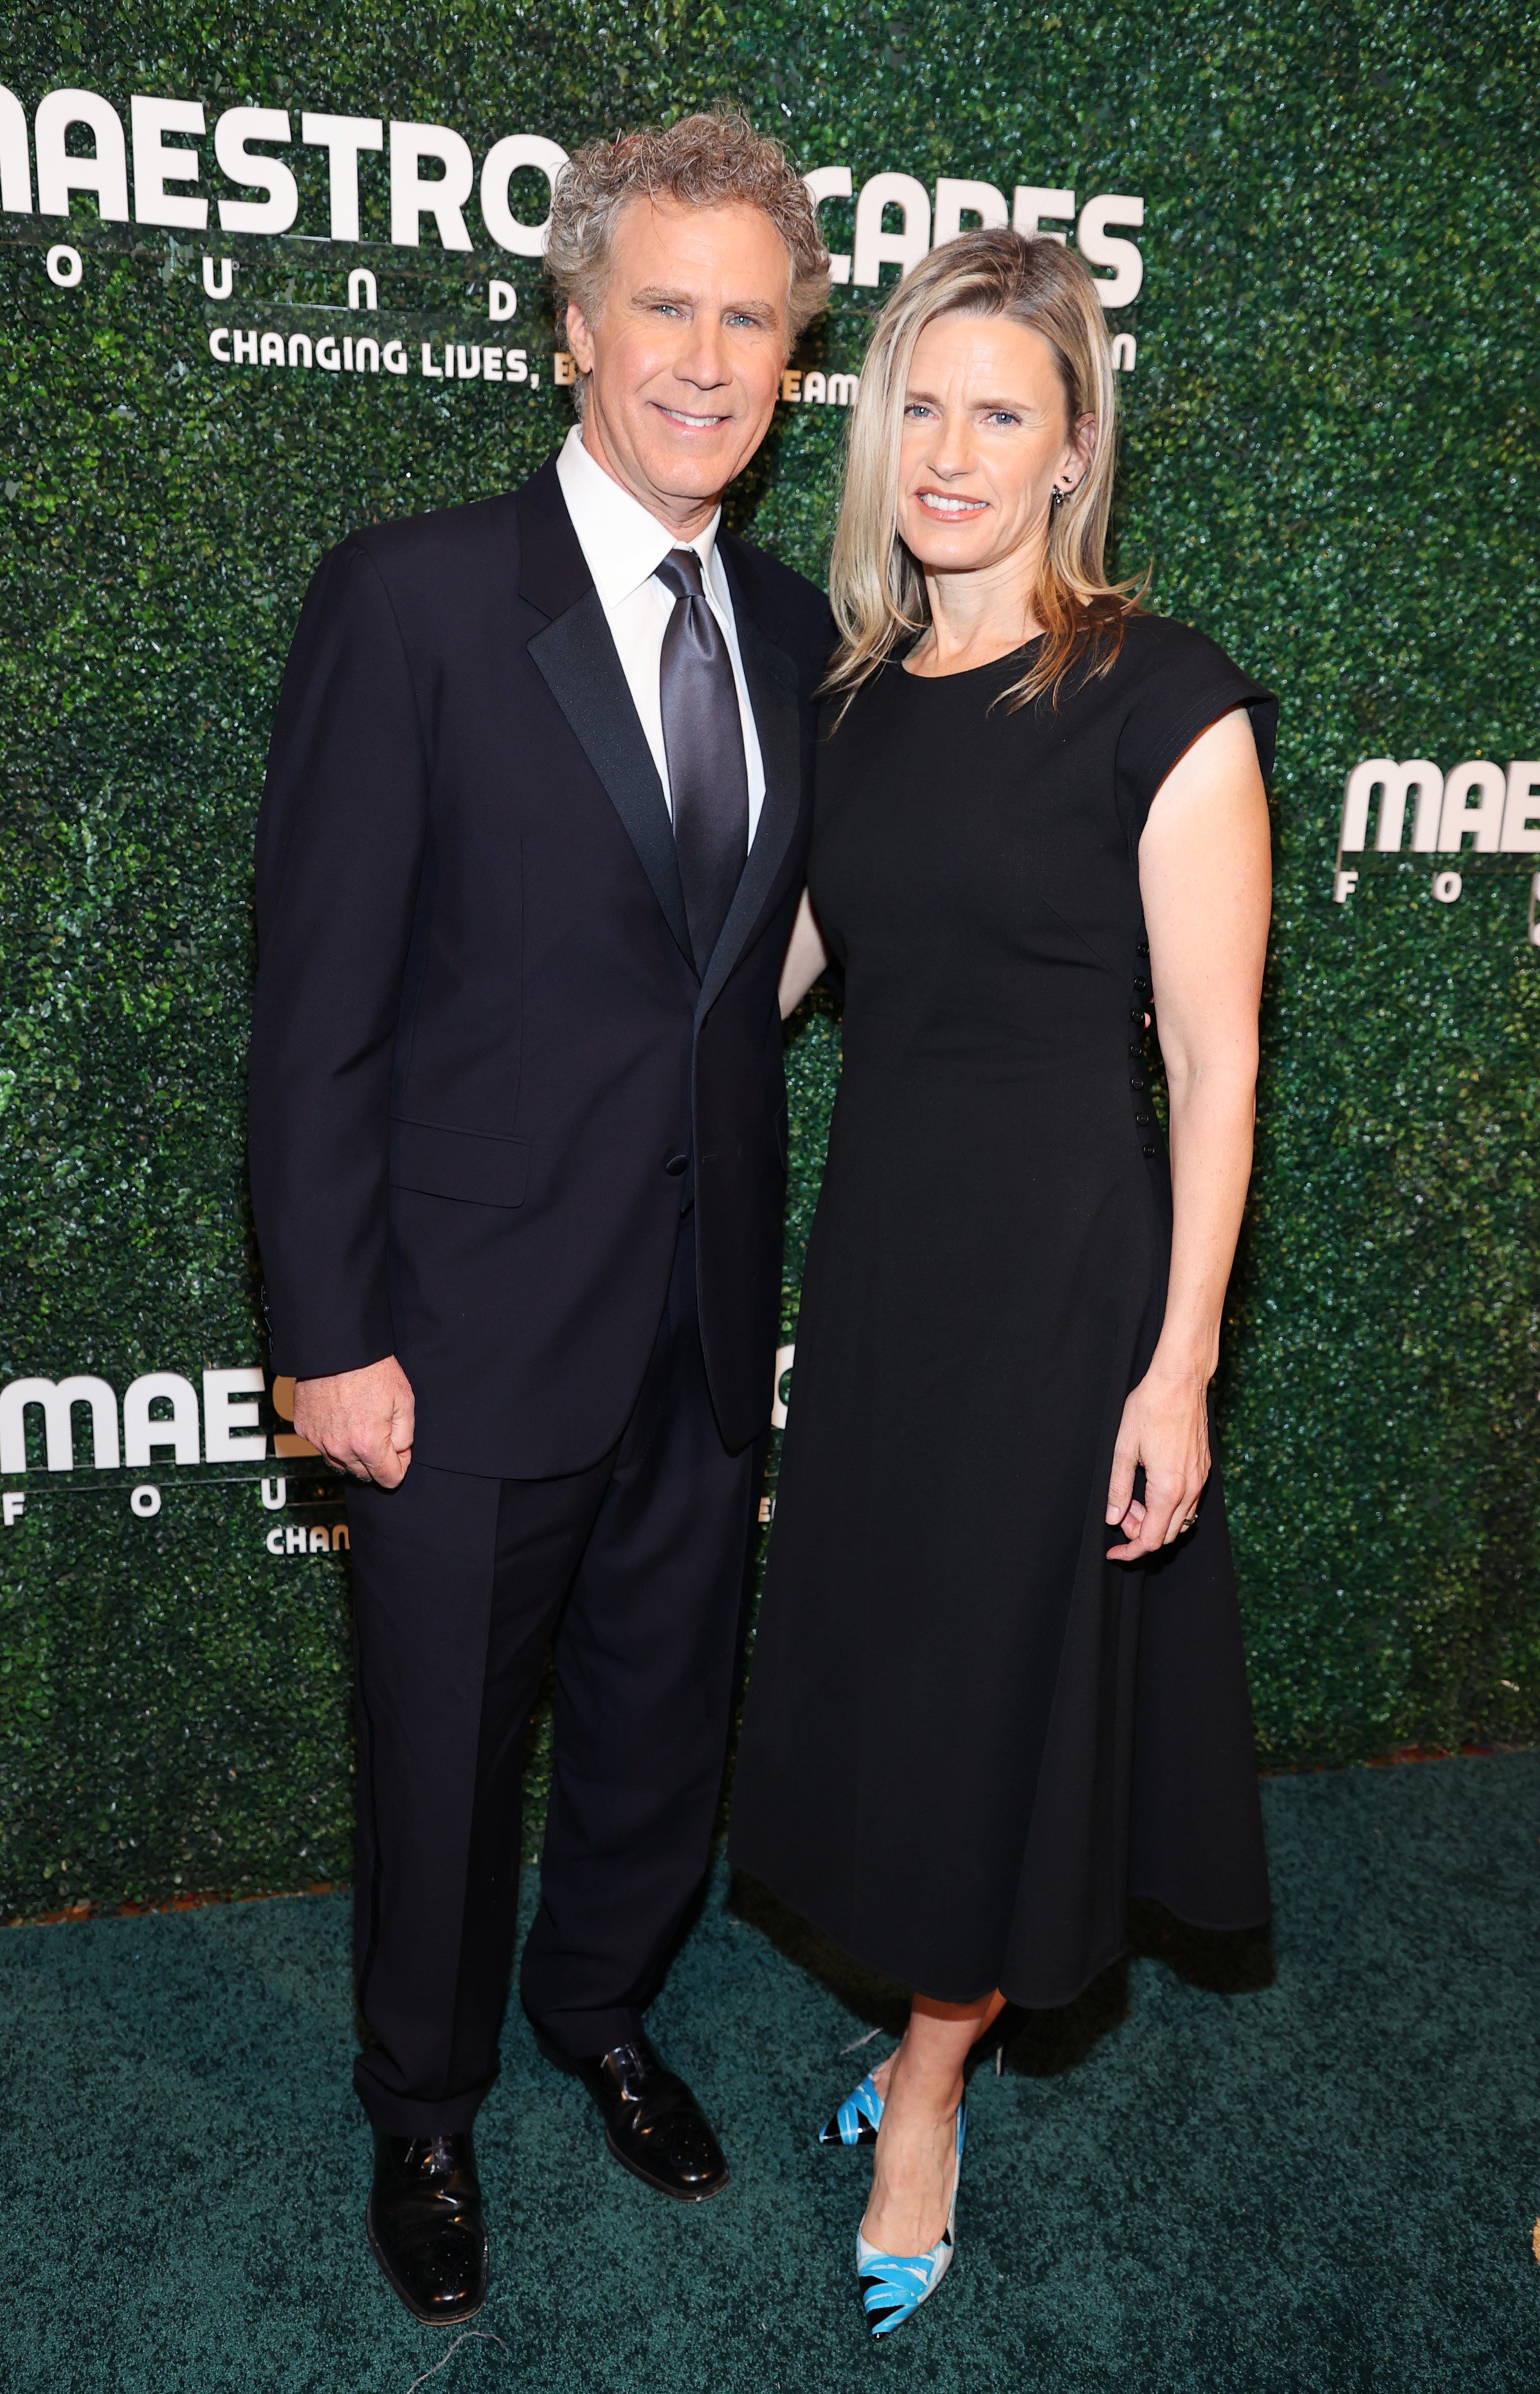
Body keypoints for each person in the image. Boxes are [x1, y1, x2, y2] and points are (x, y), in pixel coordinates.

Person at [248, 114, 833, 2324]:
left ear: (794, 361)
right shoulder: (409, 596)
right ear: (574, 327)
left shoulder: (793, 628)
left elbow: (755, 957)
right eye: (661, 306)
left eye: (749, 318)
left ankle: (601, 2006)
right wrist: (326, 1330)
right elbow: (313, 1007)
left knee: (659, 1721)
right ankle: (426, 2100)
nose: (702, 354)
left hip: (695, 1319)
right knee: (435, 1751)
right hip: (458, 1330)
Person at [730, 226, 1276, 2338]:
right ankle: (912, 2019)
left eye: (1003, 415)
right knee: (888, 1666)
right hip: (881, 1268)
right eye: (920, 407)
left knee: (981, 1696)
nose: (952, 452)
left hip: (1058, 1282)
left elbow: (1218, 1059)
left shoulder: (1160, 691)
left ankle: (932, 2088)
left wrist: (1180, 1363)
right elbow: (768, 983)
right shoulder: (855, 703)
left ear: (1070, 455)